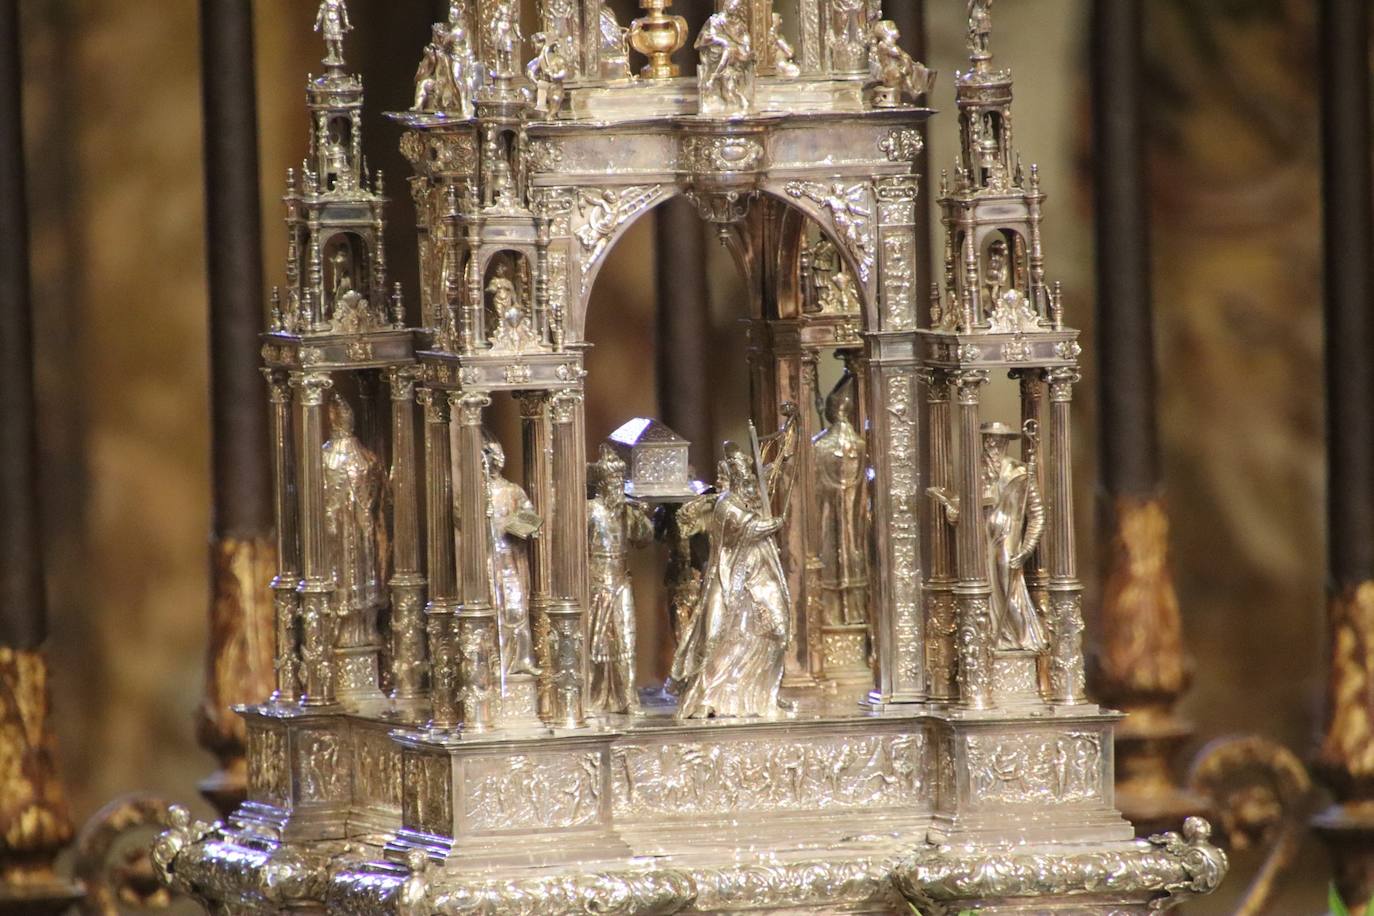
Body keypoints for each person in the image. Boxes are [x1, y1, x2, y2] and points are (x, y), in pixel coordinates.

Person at [672, 442, 793, 719]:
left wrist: (782, 458)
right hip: (726, 578)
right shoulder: (726, 505)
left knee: (768, 631)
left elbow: (767, 478)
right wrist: (775, 523)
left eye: (748, 477)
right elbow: (747, 529)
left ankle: (756, 693)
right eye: (741, 476)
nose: (748, 482)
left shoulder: (746, 501)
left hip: (751, 578)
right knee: (714, 635)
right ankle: (705, 695)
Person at [587, 447, 654, 715]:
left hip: (620, 581)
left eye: (619, 483)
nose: (616, 488)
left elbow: (644, 539)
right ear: (602, 485)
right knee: (597, 642)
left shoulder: (626, 511)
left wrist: (642, 513)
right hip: (597, 582)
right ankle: (592, 697)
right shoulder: (591, 510)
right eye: (612, 483)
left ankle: (627, 696)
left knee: (626, 638)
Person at [981, 422, 1047, 651]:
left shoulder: (1020, 473)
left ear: (1005, 443)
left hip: (1007, 540)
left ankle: (1022, 639)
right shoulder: (978, 472)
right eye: (988, 439)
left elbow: (1037, 515)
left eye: (997, 440)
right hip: (981, 541)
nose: (991, 445)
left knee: (1006, 584)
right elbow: (967, 509)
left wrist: (1026, 549)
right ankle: (994, 638)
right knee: (985, 592)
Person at [482, 439, 541, 680]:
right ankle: (494, 661)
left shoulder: (513, 491)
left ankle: (521, 660)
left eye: (493, 456)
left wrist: (514, 525)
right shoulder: (476, 492)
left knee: (515, 609)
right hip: (487, 559)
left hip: (510, 559)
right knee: (493, 608)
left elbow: (531, 519)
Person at [696, 0, 753, 115]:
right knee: (728, 49)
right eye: (731, 5)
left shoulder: (740, 25)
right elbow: (707, 37)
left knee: (736, 55)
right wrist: (723, 41)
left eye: (736, 6)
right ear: (726, 5)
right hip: (716, 51)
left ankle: (716, 79)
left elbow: (745, 39)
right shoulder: (716, 21)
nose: (733, 7)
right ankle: (714, 78)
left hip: (735, 59)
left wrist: (746, 50)